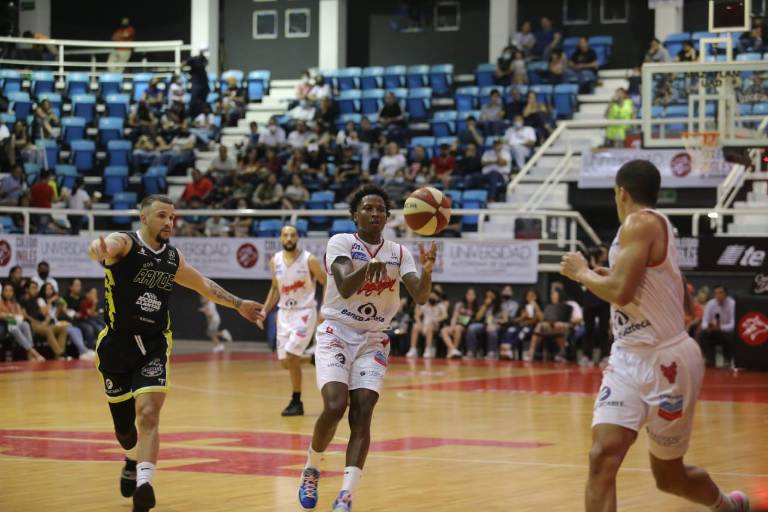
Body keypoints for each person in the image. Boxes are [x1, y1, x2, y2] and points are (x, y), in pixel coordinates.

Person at [559, 160, 749, 512]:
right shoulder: (655, 226)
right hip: (628, 357)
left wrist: (583, 273)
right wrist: (608, 275)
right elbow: (660, 290)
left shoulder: (639, 222)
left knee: (669, 477)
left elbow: (621, 292)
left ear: (621, 192)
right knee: (601, 456)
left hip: (667, 361)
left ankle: (727, 506)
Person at [86, 194, 263, 512]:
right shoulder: (125, 244)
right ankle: (131, 458)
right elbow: (108, 246)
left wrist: (238, 304)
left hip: (154, 344)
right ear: (143, 218)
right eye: (162, 216)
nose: (169, 222)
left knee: (149, 414)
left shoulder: (171, 258)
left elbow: (203, 285)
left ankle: (145, 485)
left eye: (172, 217)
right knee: (125, 432)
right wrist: (98, 249)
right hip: (116, 345)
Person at [297, 185, 437, 512]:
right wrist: (367, 269)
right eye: (368, 208)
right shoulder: (340, 242)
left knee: (363, 412)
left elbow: (420, 296)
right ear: (355, 215)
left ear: (387, 217)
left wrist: (427, 272)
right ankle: (312, 467)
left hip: (373, 338)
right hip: (337, 331)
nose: (375, 214)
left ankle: (346, 494)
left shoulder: (399, 253)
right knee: (335, 405)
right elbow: (345, 286)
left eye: (381, 210)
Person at [258, 224, 326, 416]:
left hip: (304, 312)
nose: (289, 238)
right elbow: (274, 288)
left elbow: (326, 281)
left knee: (291, 355)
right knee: (285, 362)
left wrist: (324, 309)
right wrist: (264, 311)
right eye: (285, 235)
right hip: (284, 314)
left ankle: (296, 401)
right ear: (281, 238)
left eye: (292, 235)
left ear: (298, 237)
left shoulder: (309, 259)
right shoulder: (275, 260)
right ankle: (313, 358)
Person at [0, 283, 45, 361]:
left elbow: (21, 316)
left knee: (25, 324)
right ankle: (34, 353)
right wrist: (11, 316)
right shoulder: (0, 303)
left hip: (15, 324)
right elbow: (1, 315)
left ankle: (29, 355)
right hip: (4, 327)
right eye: (6, 291)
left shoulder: (16, 304)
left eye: (10, 291)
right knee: (14, 328)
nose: (8, 293)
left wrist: (10, 316)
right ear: (2, 292)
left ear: (13, 292)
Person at [699, 286, 736, 368]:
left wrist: (720, 328)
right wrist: (707, 327)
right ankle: (710, 359)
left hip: (726, 332)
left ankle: (727, 359)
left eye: (720, 293)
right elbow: (704, 321)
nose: (718, 295)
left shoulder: (732, 304)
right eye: (716, 293)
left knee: (731, 336)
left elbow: (733, 324)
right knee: (702, 334)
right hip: (713, 331)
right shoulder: (710, 303)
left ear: (726, 294)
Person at [406, 288, 447, 358]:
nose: (433, 297)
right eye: (431, 295)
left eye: (435, 296)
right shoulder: (424, 304)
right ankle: (413, 349)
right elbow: (417, 315)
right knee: (415, 326)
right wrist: (419, 323)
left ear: (438, 297)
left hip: (435, 325)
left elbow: (444, 315)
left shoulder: (440, 306)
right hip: (424, 324)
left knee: (430, 326)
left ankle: (428, 349)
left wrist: (436, 319)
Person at [440, 287, 477, 359]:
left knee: (458, 328)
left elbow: (470, 321)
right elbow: (454, 317)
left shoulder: (476, 307)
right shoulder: (460, 305)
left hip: (467, 327)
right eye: (469, 294)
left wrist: (462, 319)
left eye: (472, 295)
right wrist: (452, 327)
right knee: (444, 330)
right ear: (466, 295)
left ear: (475, 296)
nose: (470, 296)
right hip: (457, 325)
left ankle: (453, 350)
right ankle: (453, 350)